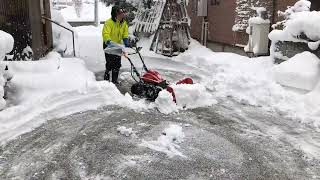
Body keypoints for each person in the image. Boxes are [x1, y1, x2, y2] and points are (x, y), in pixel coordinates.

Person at [102, 6, 130, 84]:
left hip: (118, 46)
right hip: (109, 46)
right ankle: (106, 81)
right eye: (120, 14)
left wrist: (125, 40)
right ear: (115, 14)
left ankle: (114, 80)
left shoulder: (123, 23)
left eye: (122, 14)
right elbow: (105, 33)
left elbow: (125, 33)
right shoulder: (109, 22)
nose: (122, 15)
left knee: (117, 64)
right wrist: (108, 40)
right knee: (109, 64)